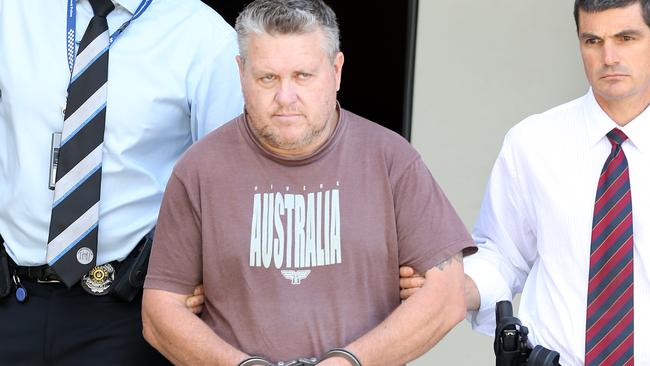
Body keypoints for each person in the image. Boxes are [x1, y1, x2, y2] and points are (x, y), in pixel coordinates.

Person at [141, 0, 476, 365]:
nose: (285, 98)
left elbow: (446, 297)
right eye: (267, 77)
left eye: (303, 75)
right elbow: (160, 314)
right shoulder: (200, 169)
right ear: (241, 73)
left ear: (336, 70)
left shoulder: (391, 160)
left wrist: (349, 362)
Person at [400, 0, 650, 365]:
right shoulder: (533, 143)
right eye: (592, 41)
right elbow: (502, 256)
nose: (608, 56)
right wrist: (450, 288)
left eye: (626, 38)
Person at [0, 0, 243, 364]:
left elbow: (229, 183)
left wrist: (199, 273)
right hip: (11, 301)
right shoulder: (14, 11)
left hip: (124, 313)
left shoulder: (205, 36)